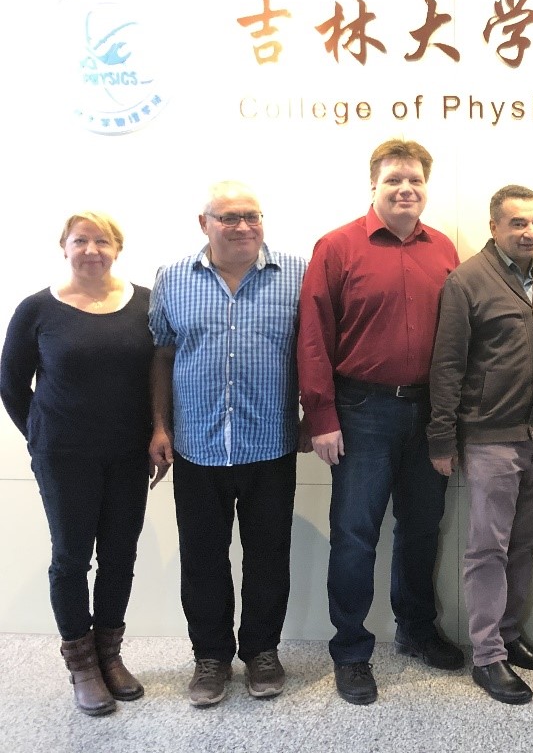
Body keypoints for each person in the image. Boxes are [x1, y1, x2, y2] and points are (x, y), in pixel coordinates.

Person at [298, 138, 463, 706]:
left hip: (429, 413)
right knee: (354, 535)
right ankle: (350, 650)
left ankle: (416, 630)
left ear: (426, 187)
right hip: (361, 411)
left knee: (421, 528)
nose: (405, 189)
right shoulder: (337, 246)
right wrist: (321, 414)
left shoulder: (443, 249)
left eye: (415, 180)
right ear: (374, 185)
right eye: (394, 179)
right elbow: (313, 336)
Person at [149, 182, 307, 707]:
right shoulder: (172, 278)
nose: (243, 226)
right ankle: (210, 656)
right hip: (197, 445)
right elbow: (163, 356)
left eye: (252, 216)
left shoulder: (297, 274)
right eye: (229, 217)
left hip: (271, 443)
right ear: (204, 223)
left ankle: (262, 650)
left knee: (269, 557)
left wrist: (315, 413)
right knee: (202, 559)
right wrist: (160, 426)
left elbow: (315, 350)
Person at [1, 212, 161, 716]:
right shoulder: (37, 309)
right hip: (64, 456)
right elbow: (11, 384)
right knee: (71, 558)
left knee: (119, 555)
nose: (92, 250)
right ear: (64, 247)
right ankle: (83, 666)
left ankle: (110, 655)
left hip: (128, 453)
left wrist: (158, 432)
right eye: (80, 240)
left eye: (102, 241)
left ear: (117, 248)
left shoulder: (145, 304)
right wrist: (40, 437)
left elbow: (159, 373)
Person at [427, 185, 533, 705]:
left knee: (524, 543)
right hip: (490, 438)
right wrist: (442, 437)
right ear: (494, 228)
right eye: (518, 223)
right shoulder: (467, 281)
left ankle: (509, 635)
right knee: (487, 548)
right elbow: (447, 365)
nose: (530, 232)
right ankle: (487, 655)